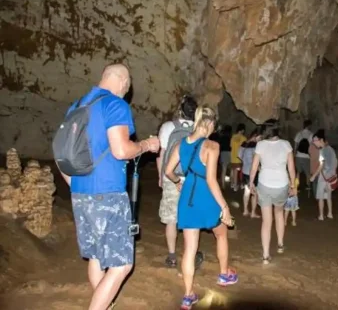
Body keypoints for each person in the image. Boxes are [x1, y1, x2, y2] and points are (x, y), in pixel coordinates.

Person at [57, 64, 160, 310]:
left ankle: (105, 305)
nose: (126, 91)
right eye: (127, 86)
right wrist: (147, 144)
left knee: (96, 257)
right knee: (122, 265)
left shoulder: (76, 107)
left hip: (80, 194)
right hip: (108, 195)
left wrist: (76, 185)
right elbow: (122, 150)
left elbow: (61, 154)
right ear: (123, 82)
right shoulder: (115, 104)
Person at [165, 106, 238, 310]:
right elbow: (211, 181)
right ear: (209, 123)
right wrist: (225, 207)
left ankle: (188, 296)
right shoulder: (212, 146)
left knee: (189, 248)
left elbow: (168, 171)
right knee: (221, 233)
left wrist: (178, 182)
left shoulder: (181, 144)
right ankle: (224, 274)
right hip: (205, 196)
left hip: (187, 196)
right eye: (214, 125)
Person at [157, 95, 203, 269]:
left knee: (171, 219)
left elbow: (162, 155)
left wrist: (162, 177)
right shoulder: (199, 129)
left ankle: (172, 255)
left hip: (172, 176)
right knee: (191, 218)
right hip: (193, 178)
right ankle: (190, 254)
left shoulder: (168, 127)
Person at [249, 119, 296, 264]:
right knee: (279, 213)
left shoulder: (260, 145)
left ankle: (265, 255)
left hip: (264, 184)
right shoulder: (286, 144)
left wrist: (251, 182)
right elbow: (291, 168)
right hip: (281, 184)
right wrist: (293, 185)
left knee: (266, 220)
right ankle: (280, 244)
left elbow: (254, 166)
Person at [310, 129, 338, 220]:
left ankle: (321, 215)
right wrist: (333, 172)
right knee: (328, 196)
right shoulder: (331, 149)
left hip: (323, 176)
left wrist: (314, 176)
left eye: (315, 140)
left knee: (320, 196)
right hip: (330, 176)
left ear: (321, 140)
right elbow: (336, 162)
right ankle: (330, 213)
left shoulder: (322, 151)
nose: (314, 142)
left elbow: (321, 165)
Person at [238, 128, 262, 218]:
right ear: (255, 136)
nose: (260, 140)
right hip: (253, 172)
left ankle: (245, 210)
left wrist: (245, 161)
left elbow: (239, 155)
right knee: (255, 193)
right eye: (259, 138)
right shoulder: (256, 147)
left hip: (245, 170)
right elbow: (255, 160)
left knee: (247, 191)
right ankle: (253, 212)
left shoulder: (244, 144)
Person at [294, 120, 313, 190]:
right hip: (307, 156)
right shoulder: (311, 134)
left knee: (298, 172)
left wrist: (294, 155)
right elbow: (312, 147)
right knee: (308, 173)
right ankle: (308, 186)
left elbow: (295, 146)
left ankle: (296, 186)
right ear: (309, 126)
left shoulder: (298, 134)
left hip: (298, 156)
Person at [230, 123, 246, 191]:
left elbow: (230, 146)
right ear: (242, 130)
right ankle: (235, 187)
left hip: (233, 156)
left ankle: (232, 184)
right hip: (239, 157)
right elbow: (244, 148)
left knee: (233, 171)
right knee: (237, 172)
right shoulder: (243, 138)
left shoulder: (233, 136)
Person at [218, 125, 232, 189]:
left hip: (223, 153)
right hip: (229, 153)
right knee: (230, 169)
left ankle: (223, 184)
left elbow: (220, 146)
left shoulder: (222, 137)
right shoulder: (231, 137)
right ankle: (231, 183)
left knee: (223, 169)